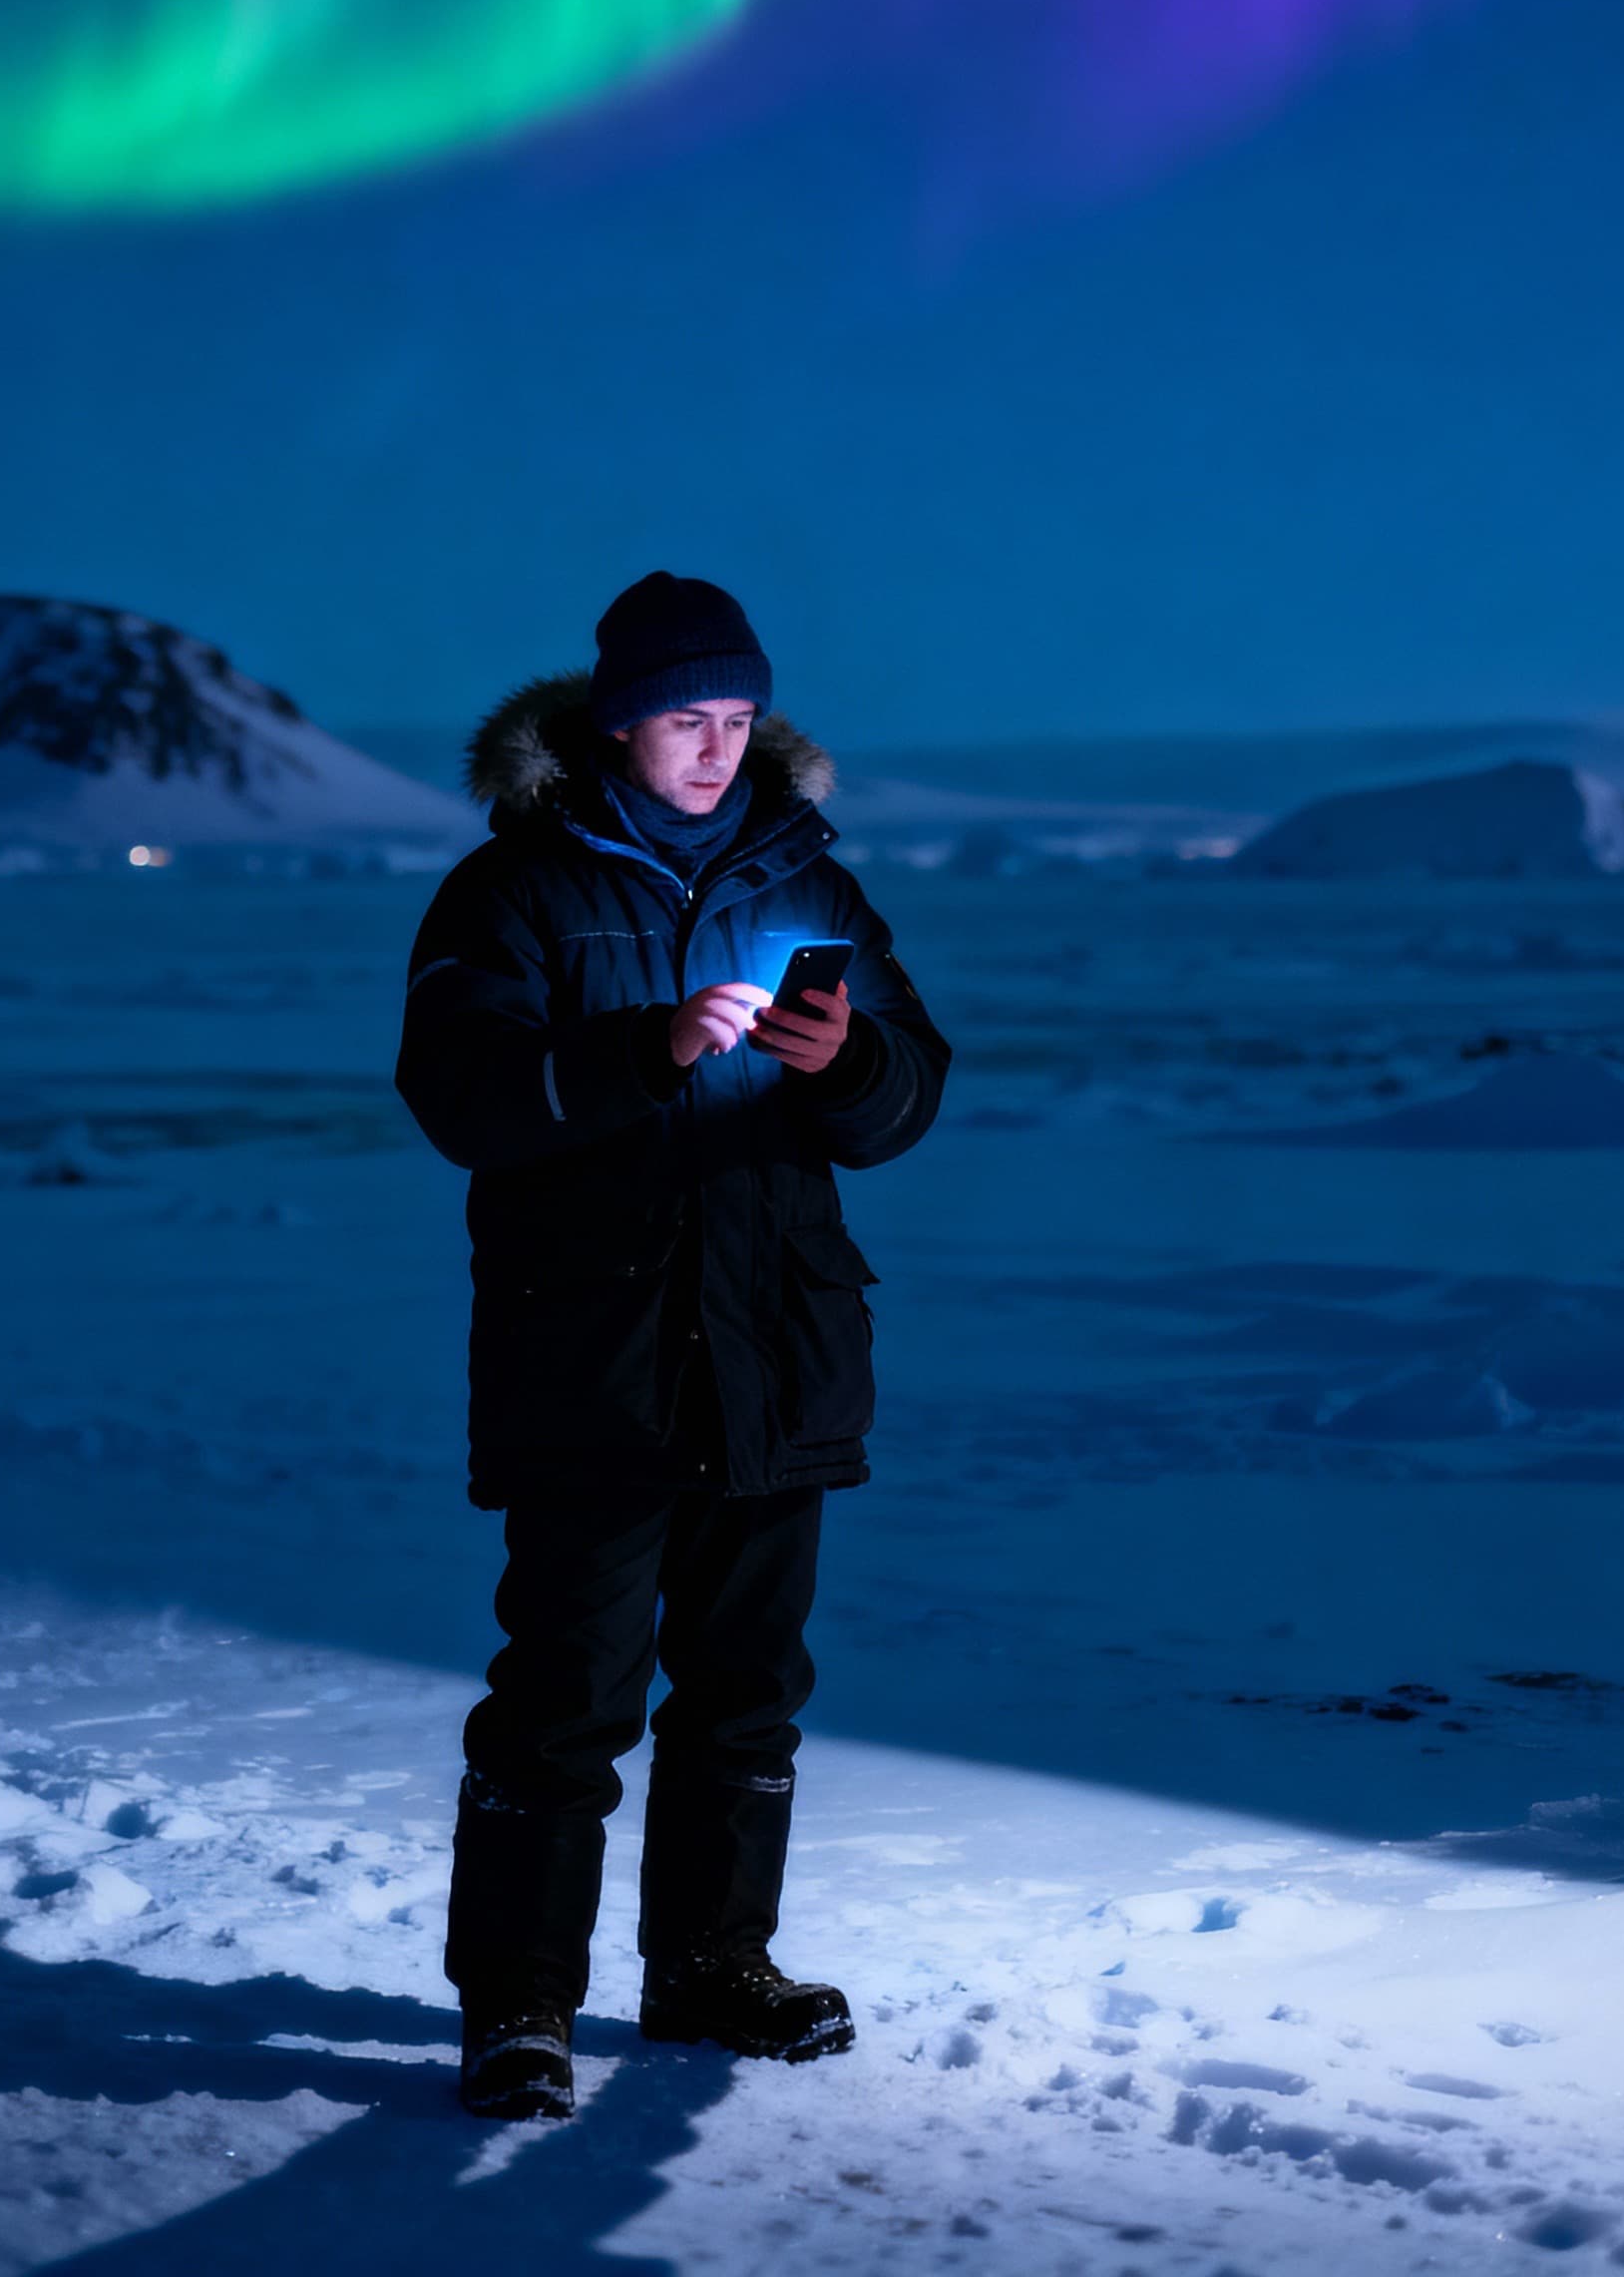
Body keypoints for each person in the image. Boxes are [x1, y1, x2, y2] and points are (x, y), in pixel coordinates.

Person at [396, 572, 951, 2121]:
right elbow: (459, 1094)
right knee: (565, 1699)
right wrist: (637, 1053)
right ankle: (517, 2006)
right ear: (617, 723)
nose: (716, 749)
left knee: (745, 1689)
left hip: (777, 1350)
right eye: (684, 720)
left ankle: (712, 1968)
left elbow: (911, 1097)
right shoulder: (513, 893)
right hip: (597, 1360)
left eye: (736, 719)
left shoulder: (816, 884)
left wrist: (849, 1063)